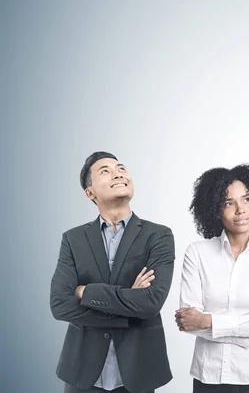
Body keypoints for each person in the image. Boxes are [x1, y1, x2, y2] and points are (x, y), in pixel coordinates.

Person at [50, 151, 175, 393]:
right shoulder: (73, 239)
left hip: (138, 373)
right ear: (90, 193)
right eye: (105, 171)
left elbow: (151, 302)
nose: (117, 173)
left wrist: (85, 291)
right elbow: (58, 304)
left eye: (121, 168)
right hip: (82, 374)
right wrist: (128, 305)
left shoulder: (158, 235)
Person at [176, 164, 249, 393]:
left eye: (247, 199)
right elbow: (189, 322)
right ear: (214, 210)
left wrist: (210, 321)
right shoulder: (197, 253)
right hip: (209, 376)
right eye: (228, 203)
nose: (240, 210)